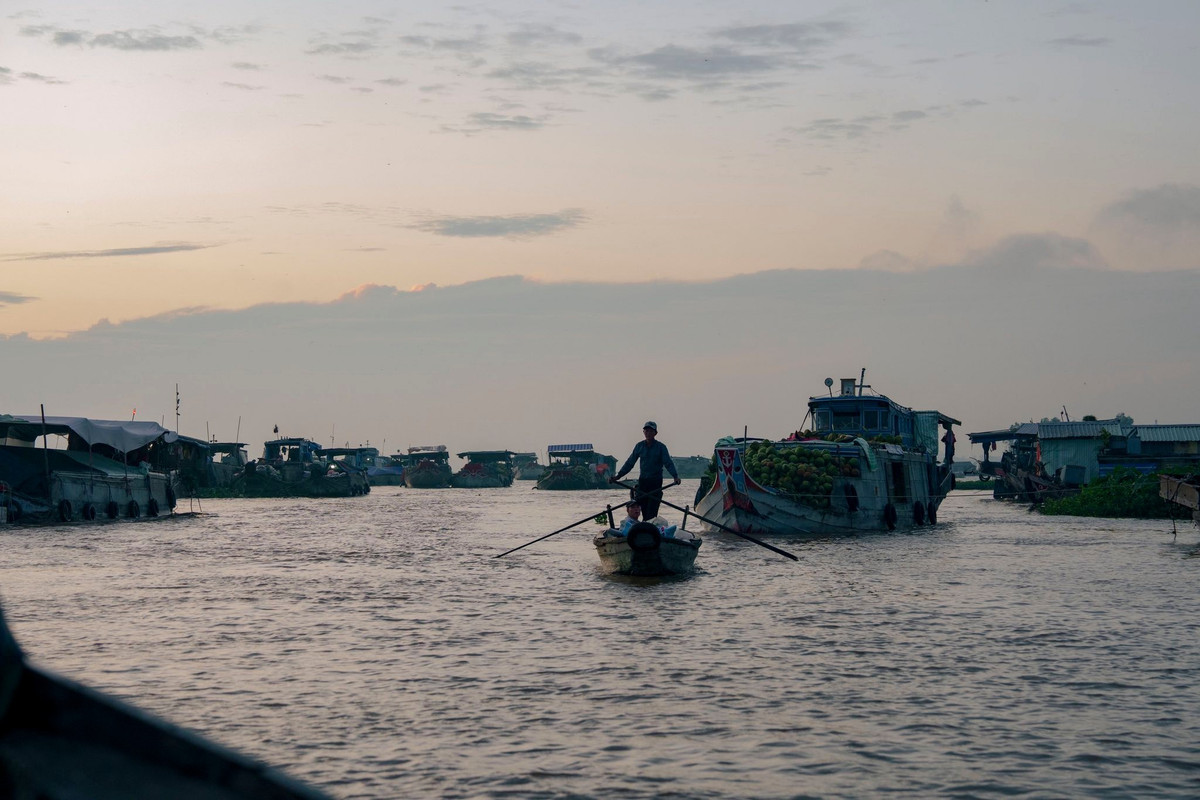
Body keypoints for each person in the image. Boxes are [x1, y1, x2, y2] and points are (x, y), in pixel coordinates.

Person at [611, 421, 680, 520]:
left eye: (650, 431)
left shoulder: (661, 447)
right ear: (643, 432)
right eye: (646, 431)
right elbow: (630, 463)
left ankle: (649, 526)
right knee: (642, 509)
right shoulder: (639, 446)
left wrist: (675, 477)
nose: (648, 433)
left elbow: (668, 463)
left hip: (655, 483)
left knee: (652, 512)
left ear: (655, 433)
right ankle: (643, 527)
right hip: (643, 482)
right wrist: (617, 477)